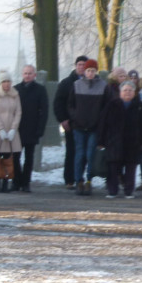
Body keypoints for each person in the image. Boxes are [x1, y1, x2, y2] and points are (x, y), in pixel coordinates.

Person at [97, 80, 142, 199]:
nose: (128, 93)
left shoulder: (141, 107)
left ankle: (129, 191)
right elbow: (103, 124)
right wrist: (101, 141)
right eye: (125, 90)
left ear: (134, 92)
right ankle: (112, 191)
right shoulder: (111, 105)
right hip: (114, 142)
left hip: (133, 143)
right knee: (113, 167)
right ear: (120, 92)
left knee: (131, 168)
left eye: (130, 90)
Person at [68, 59, 110, 196]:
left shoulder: (103, 86)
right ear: (84, 72)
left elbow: (106, 107)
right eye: (88, 70)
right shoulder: (76, 85)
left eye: (93, 70)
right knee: (79, 154)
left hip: (94, 127)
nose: (90, 73)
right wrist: (75, 117)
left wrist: (100, 122)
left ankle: (89, 180)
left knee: (90, 154)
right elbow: (70, 105)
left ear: (96, 71)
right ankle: (78, 180)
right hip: (79, 126)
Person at [53, 56, 88, 189]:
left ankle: (80, 177)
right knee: (71, 152)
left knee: (84, 152)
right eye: (79, 64)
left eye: (84, 65)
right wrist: (62, 119)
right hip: (71, 124)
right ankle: (69, 179)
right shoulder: (66, 83)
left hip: (86, 124)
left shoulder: (91, 83)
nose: (81, 67)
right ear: (75, 66)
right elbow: (58, 103)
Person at [13, 64, 48, 193]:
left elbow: (44, 111)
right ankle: (16, 182)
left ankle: (26, 183)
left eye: (30, 73)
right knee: (15, 157)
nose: (27, 75)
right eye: (25, 73)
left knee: (29, 158)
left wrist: (40, 129)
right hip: (17, 129)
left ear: (34, 75)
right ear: (22, 75)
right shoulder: (15, 89)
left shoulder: (40, 90)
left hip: (32, 129)